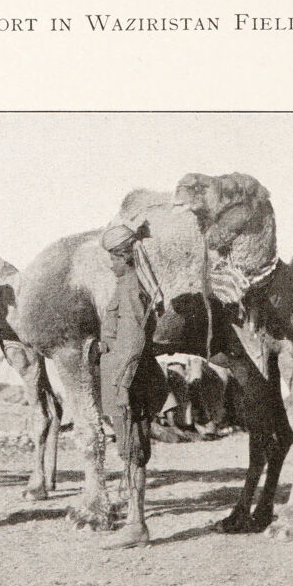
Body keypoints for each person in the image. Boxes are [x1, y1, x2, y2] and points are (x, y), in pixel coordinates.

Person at [99, 222, 168, 548]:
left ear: (124, 258)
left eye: (113, 259)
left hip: (128, 384)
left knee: (133, 454)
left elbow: (135, 341)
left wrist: (123, 384)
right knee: (130, 453)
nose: (110, 265)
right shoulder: (127, 286)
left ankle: (137, 524)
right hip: (123, 381)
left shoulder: (129, 289)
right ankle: (133, 520)